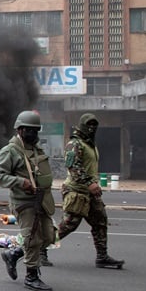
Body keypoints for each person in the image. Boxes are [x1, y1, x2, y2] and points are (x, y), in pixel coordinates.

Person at [0, 110, 55, 291]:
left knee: (49, 236)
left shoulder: (36, 149)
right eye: (29, 130)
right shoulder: (10, 151)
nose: (33, 134)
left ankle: (14, 254)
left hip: (42, 201)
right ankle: (31, 277)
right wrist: (20, 182)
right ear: (19, 130)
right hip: (24, 202)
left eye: (36, 130)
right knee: (32, 238)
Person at [56, 113, 125, 268]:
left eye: (95, 125)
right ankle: (39, 249)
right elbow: (73, 166)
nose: (92, 128)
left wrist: (92, 184)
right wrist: (89, 183)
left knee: (100, 221)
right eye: (89, 124)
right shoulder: (75, 144)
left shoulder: (89, 145)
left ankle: (102, 256)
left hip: (89, 192)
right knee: (68, 225)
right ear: (82, 126)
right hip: (76, 191)